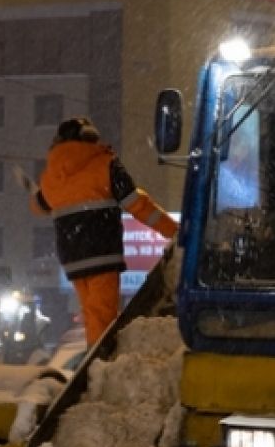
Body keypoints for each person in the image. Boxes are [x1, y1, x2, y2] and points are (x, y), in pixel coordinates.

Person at [26, 117, 178, 346]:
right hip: (102, 253)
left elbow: (38, 206)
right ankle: (99, 365)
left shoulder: (51, 177)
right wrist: (175, 231)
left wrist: (37, 191)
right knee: (103, 321)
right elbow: (137, 204)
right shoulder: (106, 164)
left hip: (73, 260)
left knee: (92, 317)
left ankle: (94, 360)